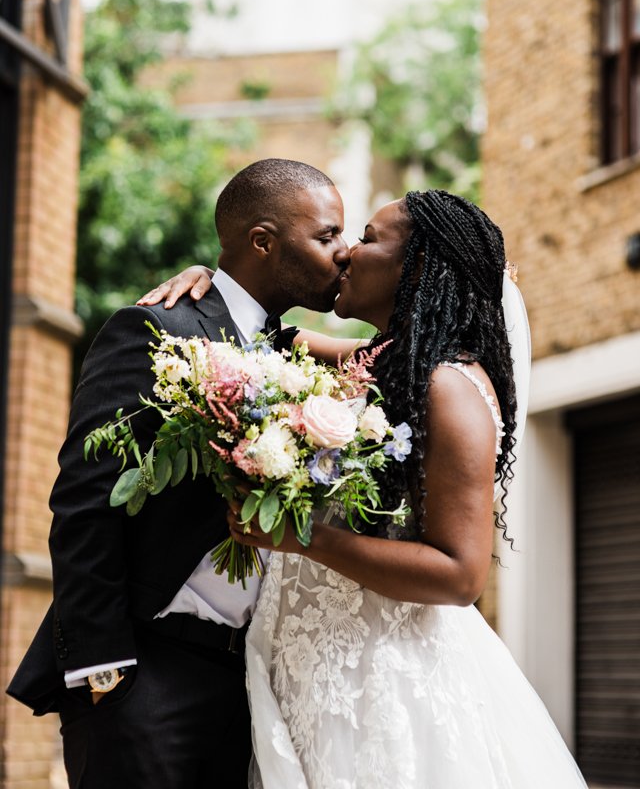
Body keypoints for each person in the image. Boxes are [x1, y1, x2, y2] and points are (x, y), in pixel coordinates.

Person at [149, 189, 588, 789]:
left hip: (382, 689)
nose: (349, 252)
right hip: (313, 673)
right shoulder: (386, 365)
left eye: (370, 238)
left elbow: (461, 575)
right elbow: (279, 343)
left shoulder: (449, 387)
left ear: (418, 268)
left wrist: (305, 538)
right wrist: (217, 279)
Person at [7, 158, 350, 789]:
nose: (344, 252)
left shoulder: (291, 354)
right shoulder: (157, 330)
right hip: (146, 675)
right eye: (326, 236)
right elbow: (84, 501)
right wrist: (105, 673)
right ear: (263, 241)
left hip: (248, 683)